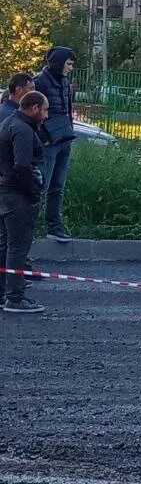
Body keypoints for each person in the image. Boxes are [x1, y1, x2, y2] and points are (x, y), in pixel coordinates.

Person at [0, 91, 48, 313]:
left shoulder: (8, 123)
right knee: (18, 247)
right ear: (35, 107)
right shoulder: (22, 129)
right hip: (18, 196)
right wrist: (33, 192)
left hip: (5, 192)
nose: (46, 116)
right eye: (45, 110)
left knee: (5, 246)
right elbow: (22, 165)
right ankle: (15, 297)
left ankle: (5, 293)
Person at [33, 47, 76, 243]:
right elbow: (33, 112)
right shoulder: (40, 81)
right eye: (68, 64)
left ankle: (54, 227)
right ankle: (30, 227)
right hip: (48, 143)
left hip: (65, 139)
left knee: (58, 186)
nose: (70, 68)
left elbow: (68, 109)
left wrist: (70, 130)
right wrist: (43, 137)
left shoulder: (65, 82)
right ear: (58, 63)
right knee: (42, 185)